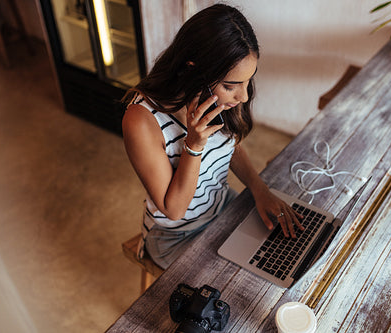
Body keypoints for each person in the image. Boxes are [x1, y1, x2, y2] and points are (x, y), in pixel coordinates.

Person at [122, 4, 304, 269]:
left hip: (221, 207)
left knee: (282, 254)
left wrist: (259, 189)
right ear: (194, 70)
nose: (243, 96)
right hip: (174, 236)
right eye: (231, 86)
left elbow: (230, 146)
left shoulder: (218, 98)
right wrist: (194, 146)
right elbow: (174, 210)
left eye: (247, 82)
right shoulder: (141, 119)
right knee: (237, 286)